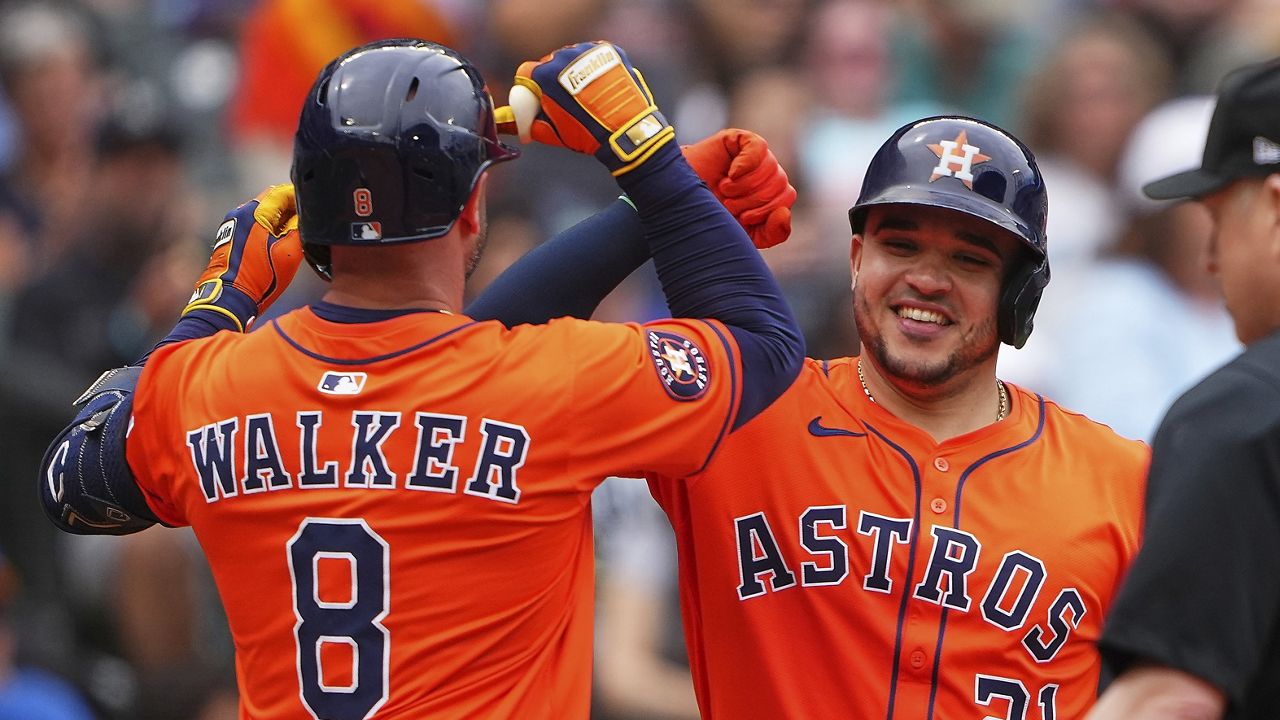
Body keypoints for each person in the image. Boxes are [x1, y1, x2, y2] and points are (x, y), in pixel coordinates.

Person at [36, 39, 804, 719]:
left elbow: (75, 476)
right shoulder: (542, 386)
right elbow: (763, 345)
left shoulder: (207, 383)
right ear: (472, 205)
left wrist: (217, 303)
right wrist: (653, 165)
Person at [468, 115, 1151, 718]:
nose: (926, 279)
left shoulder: (1122, 481)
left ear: (1019, 294)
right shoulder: (739, 407)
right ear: (856, 259)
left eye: (969, 260)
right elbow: (480, 365)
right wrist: (654, 201)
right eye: (900, 246)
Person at [1089, 57, 1280, 720]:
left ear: (1276, 207)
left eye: (1217, 218)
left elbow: (1169, 699)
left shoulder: (1243, 416)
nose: (1210, 258)